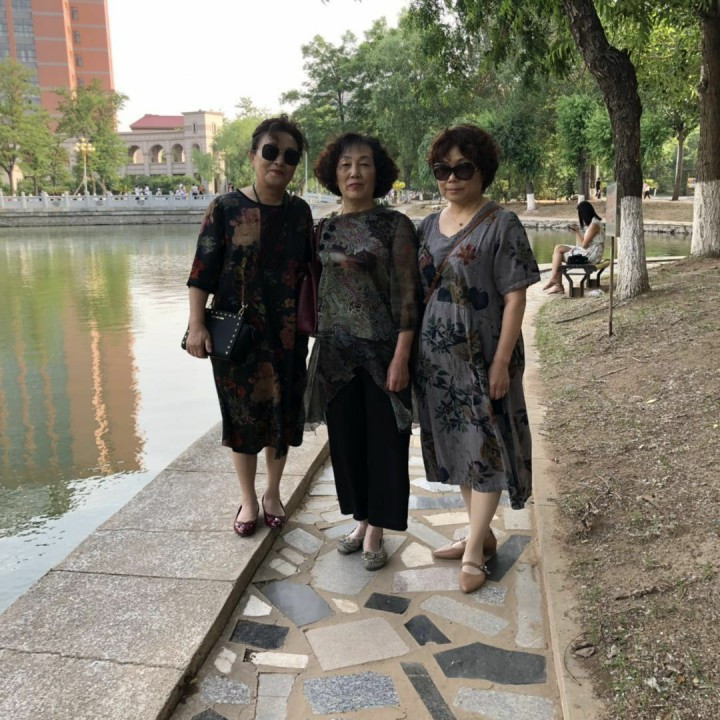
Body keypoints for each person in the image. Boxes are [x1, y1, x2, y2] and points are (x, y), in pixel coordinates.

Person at [414, 124, 540, 593]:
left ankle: (473, 552)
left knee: (485, 447)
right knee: (461, 448)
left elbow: (515, 298)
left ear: (482, 171)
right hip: (437, 363)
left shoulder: (502, 223)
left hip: (484, 356)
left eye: (462, 168)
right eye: (442, 169)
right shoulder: (427, 226)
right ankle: (480, 536)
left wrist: (501, 362)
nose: (451, 178)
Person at [184, 115, 313, 537]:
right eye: (271, 152)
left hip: (288, 334)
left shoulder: (299, 212)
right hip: (238, 335)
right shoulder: (226, 208)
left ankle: (273, 493)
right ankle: (247, 498)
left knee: (282, 414)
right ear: (253, 155)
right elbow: (202, 270)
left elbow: (311, 272)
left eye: (289, 156)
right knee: (241, 418)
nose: (279, 162)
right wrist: (197, 325)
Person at [304, 132, 421, 571]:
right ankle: (361, 519)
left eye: (364, 164)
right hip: (334, 356)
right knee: (347, 445)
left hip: (383, 355)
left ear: (378, 172)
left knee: (386, 445)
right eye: (345, 165)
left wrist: (402, 357)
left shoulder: (395, 225)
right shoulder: (324, 228)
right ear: (334, 175)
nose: (354, 172)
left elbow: (408, 297)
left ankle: (377, 530)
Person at [543, 200, 604, 294]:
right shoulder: (593, 223)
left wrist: (578, 233)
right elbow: (584, 243)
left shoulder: (594, 224)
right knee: (557, 252)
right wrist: (577, 231)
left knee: (558, 252)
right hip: (589, 251)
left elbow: (584, 245)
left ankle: (556, 283)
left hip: (592, 254)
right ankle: (556, 283)